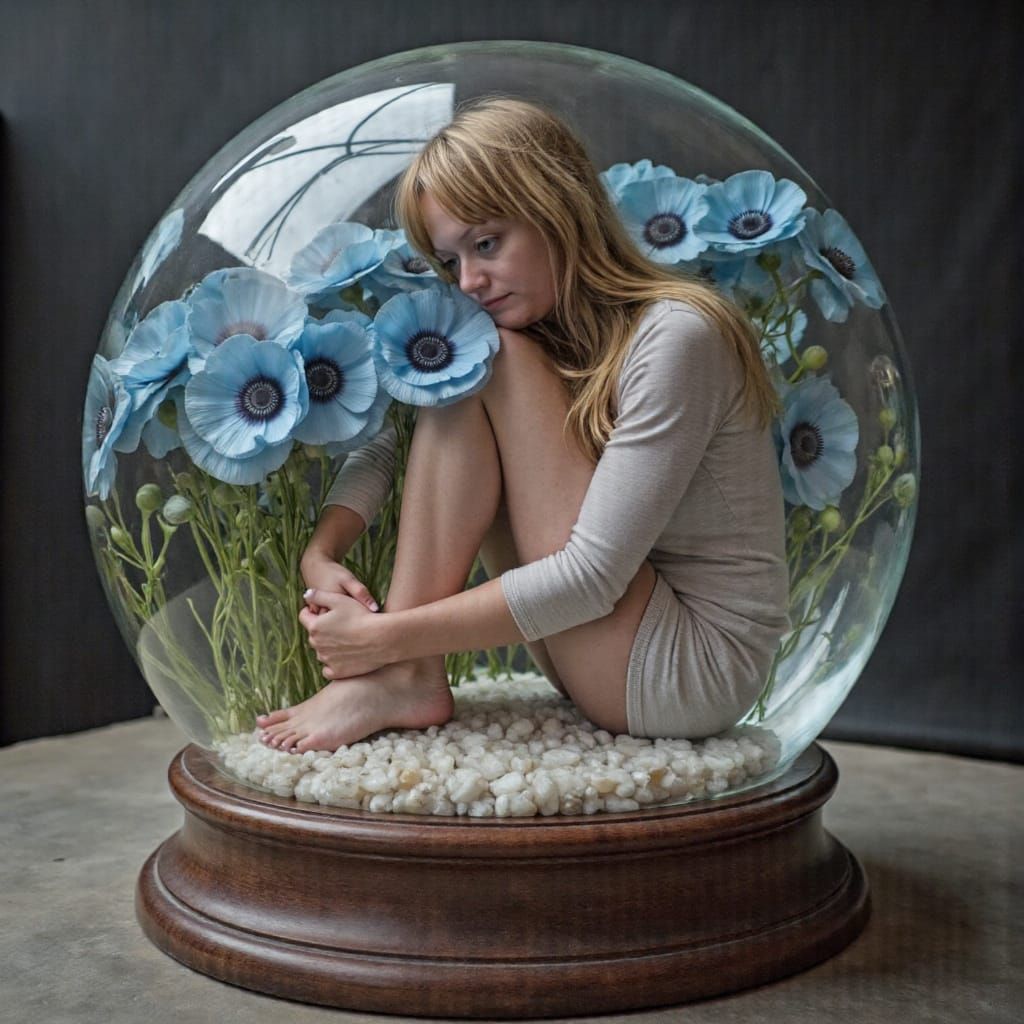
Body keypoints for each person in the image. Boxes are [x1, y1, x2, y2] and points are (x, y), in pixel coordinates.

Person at [257, 97, 789, 756]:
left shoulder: (677, 334)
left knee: (483, 355)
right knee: (469, 355)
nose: (471, 280)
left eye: (486, 243)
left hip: (691, 667)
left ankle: (400, 675)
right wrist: (321, 553)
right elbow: (400, 445)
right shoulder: (539, 337)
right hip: (609, 644)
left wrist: (384, 638)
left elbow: (593, 577)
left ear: (555, 207)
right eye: (452, 261)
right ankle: (406, 677)